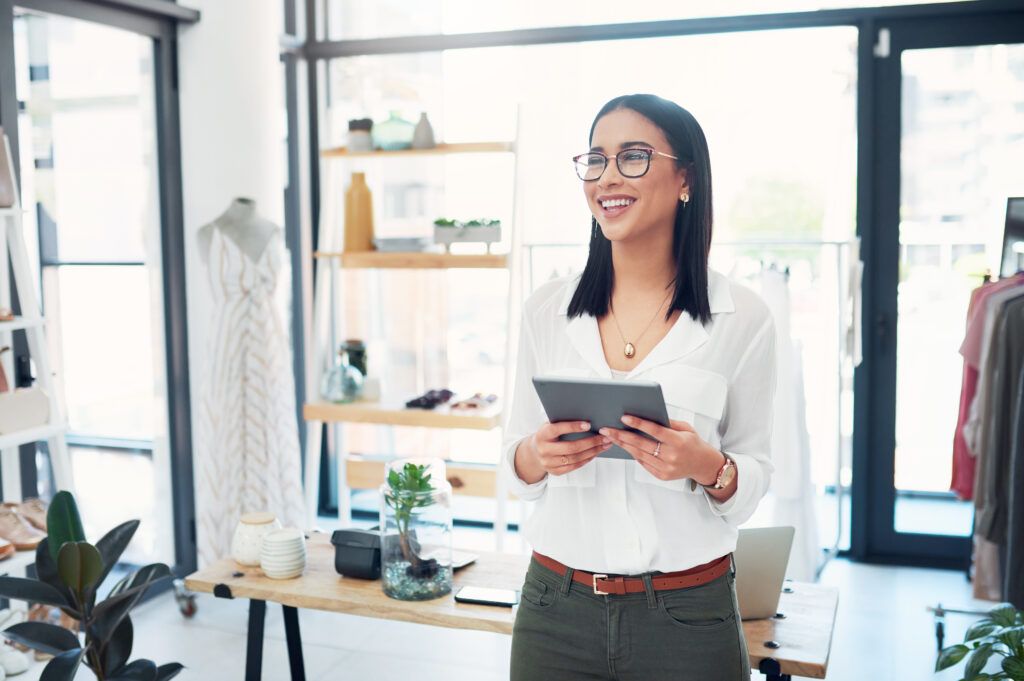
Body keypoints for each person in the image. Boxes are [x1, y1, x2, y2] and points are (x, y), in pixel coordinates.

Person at [501, 93, 777, 680]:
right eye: (595, 160)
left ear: (686, 179)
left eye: (632, 156)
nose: (606, 178)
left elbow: (752, 480)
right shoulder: (546, 310)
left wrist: (708, 465)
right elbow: (514, 469)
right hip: (555, 609)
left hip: (686, 617)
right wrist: (535, 455)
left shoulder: (742, 318)